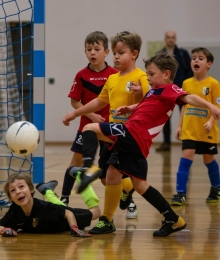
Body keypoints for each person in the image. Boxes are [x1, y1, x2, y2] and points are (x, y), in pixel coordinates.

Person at [62, 52, 220, 236]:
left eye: (152, 74)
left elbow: (189, 98)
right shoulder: (155, 92)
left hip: (133, 133)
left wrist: (211, 106)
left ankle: (88, 168)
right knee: (136, 183)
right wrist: (131, 107)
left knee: (90, 128)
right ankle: (174, 219)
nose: (149, 78)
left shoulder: (170, 89)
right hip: (134, 137)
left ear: (166, 74)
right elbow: (147, 105)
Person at [66, 31, 150, 221]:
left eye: (120, 53)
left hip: (129, 134)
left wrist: (139, 97)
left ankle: (107, 219)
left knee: (114, 174)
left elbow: (152, 101)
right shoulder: (113, 79)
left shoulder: (141, 77)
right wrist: (75, 113)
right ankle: (125, 190)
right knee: (107, 179)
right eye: (115, 53)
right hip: (111, 132)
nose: (116, 57)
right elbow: (98, 102)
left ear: (134, 54)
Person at [60, 31, 118, 205]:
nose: (92, 52)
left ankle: (128, 199)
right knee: (76, 162)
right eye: (89, 49)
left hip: (109, 128)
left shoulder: (115, 75)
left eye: (97, 49)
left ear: (106, 52)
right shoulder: (81, 75)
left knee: (109, 173)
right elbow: (74, 102)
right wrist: (91, 115)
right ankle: (64, 197)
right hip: (86, 127)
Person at [171, 47, 220, 206]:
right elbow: (184, 106)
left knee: (208, 160)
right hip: (189, 130)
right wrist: (179, 126)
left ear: (209, 64)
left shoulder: (213, 84)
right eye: (193, 58)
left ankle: (216, 188)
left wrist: (211, 121)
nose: (196, 61)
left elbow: (216, 108)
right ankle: (180, 193)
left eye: (200, 58)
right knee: (185, 158)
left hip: (207, 131)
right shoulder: (186, 83)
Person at [0, 172, 101, 237]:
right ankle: (47, 190)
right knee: (57, 207)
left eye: (21, 187)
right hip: (55, 210)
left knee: (96, 212)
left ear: (31, 189)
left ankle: (81, 177)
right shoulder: (14, 210)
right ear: (10, 197)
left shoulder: (43, 208)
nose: (18, 192)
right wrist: (4, 230)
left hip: (66, 220)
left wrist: (74, 228)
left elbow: (68, 213)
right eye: (13, 190)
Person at [156, 30, 193, 151]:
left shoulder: (183, 54)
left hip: (181, 90)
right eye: (168, 37)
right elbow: (156, 74)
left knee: (186, 116)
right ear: (165, 39)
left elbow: (190, 71)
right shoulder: (159, 55)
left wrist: (185, 86)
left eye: (172, 37)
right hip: (167, 91)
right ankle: (166, 143)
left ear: (175, 39)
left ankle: (187, 141)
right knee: (165, 118)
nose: (170, 39)